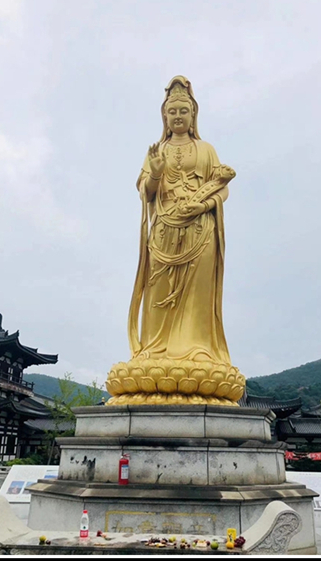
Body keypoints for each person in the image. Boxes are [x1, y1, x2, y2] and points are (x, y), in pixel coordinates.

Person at [105, 76, 245, 405]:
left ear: (193, 115)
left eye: (184, 110)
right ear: (164, 117)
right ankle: (154, 350)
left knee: (197, 295)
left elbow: (222, 187)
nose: (178, 116)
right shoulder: (158, 151)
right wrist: (155, 172)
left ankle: (199, 350)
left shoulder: (206, 149)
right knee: (158, 293)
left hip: (200, 230)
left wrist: (205, 205)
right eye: (172, 111)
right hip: (164, 232)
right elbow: (146, 191)